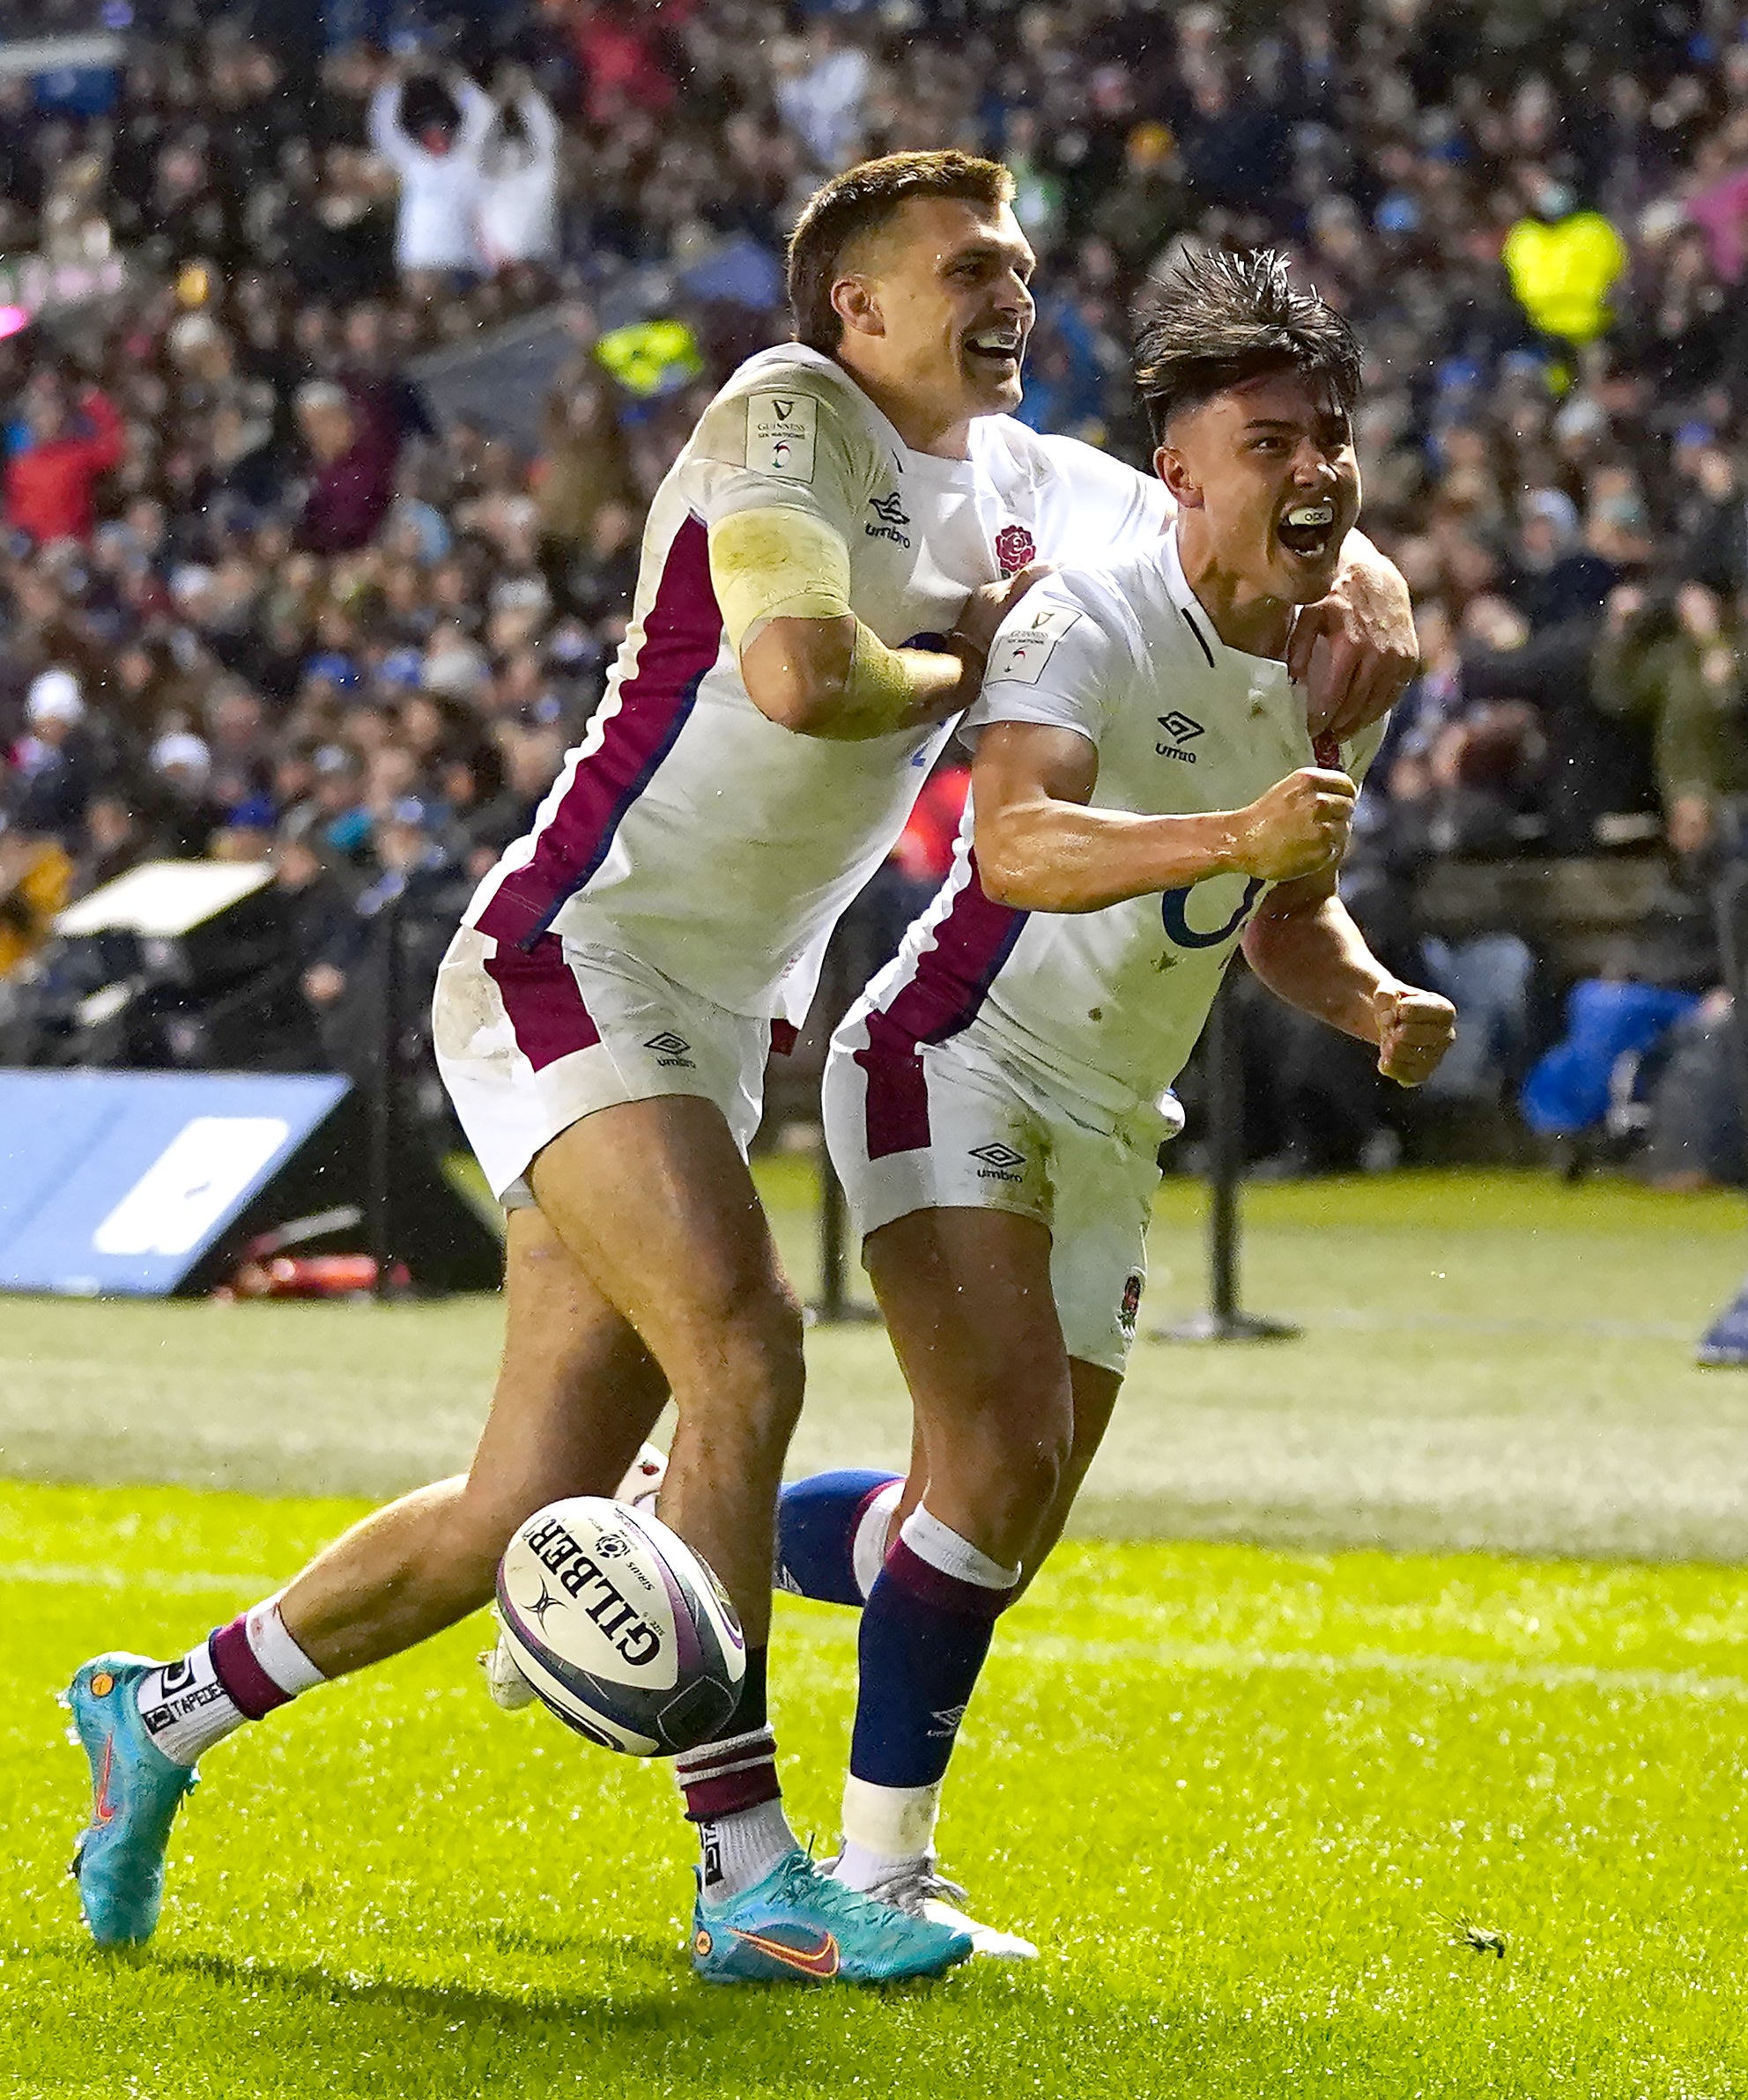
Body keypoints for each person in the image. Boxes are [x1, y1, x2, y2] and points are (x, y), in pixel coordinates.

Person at [64, 155, 1414, 1983]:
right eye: (965, 268)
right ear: (855, 307)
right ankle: (750, 1878)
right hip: (574, 951)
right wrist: (969, 666)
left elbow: (1230, 517)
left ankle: (160, 1716)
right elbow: (792, 673)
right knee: (746, 1339)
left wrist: (1379, 589)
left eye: (1014, 263)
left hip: (713, 1015)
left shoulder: (1022, 476)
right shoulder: (785, 413)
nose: (1010, 294)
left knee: (510, 1506)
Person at [776, 249, 1457, 1954]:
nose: (1316, 472)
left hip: (1113, 1116)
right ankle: (874, 1879)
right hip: (952, 1058)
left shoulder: (1326, 670)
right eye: (1274, 440)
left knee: (1000, 1517)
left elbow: (1282, 911)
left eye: (1336, 441)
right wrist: (1237, 836)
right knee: (999, 1465)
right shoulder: (1090, 616)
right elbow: (1015, 847)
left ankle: (674, 1535)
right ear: (1182, 469)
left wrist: (1369, 997)